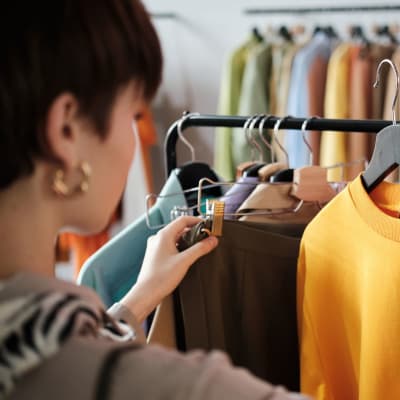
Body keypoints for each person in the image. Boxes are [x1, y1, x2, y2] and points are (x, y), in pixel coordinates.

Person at [0, 1, 308, 399]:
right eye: (133, 113)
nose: (134, 139)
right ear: (65, 130)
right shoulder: (175, 389)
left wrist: (137, 300)